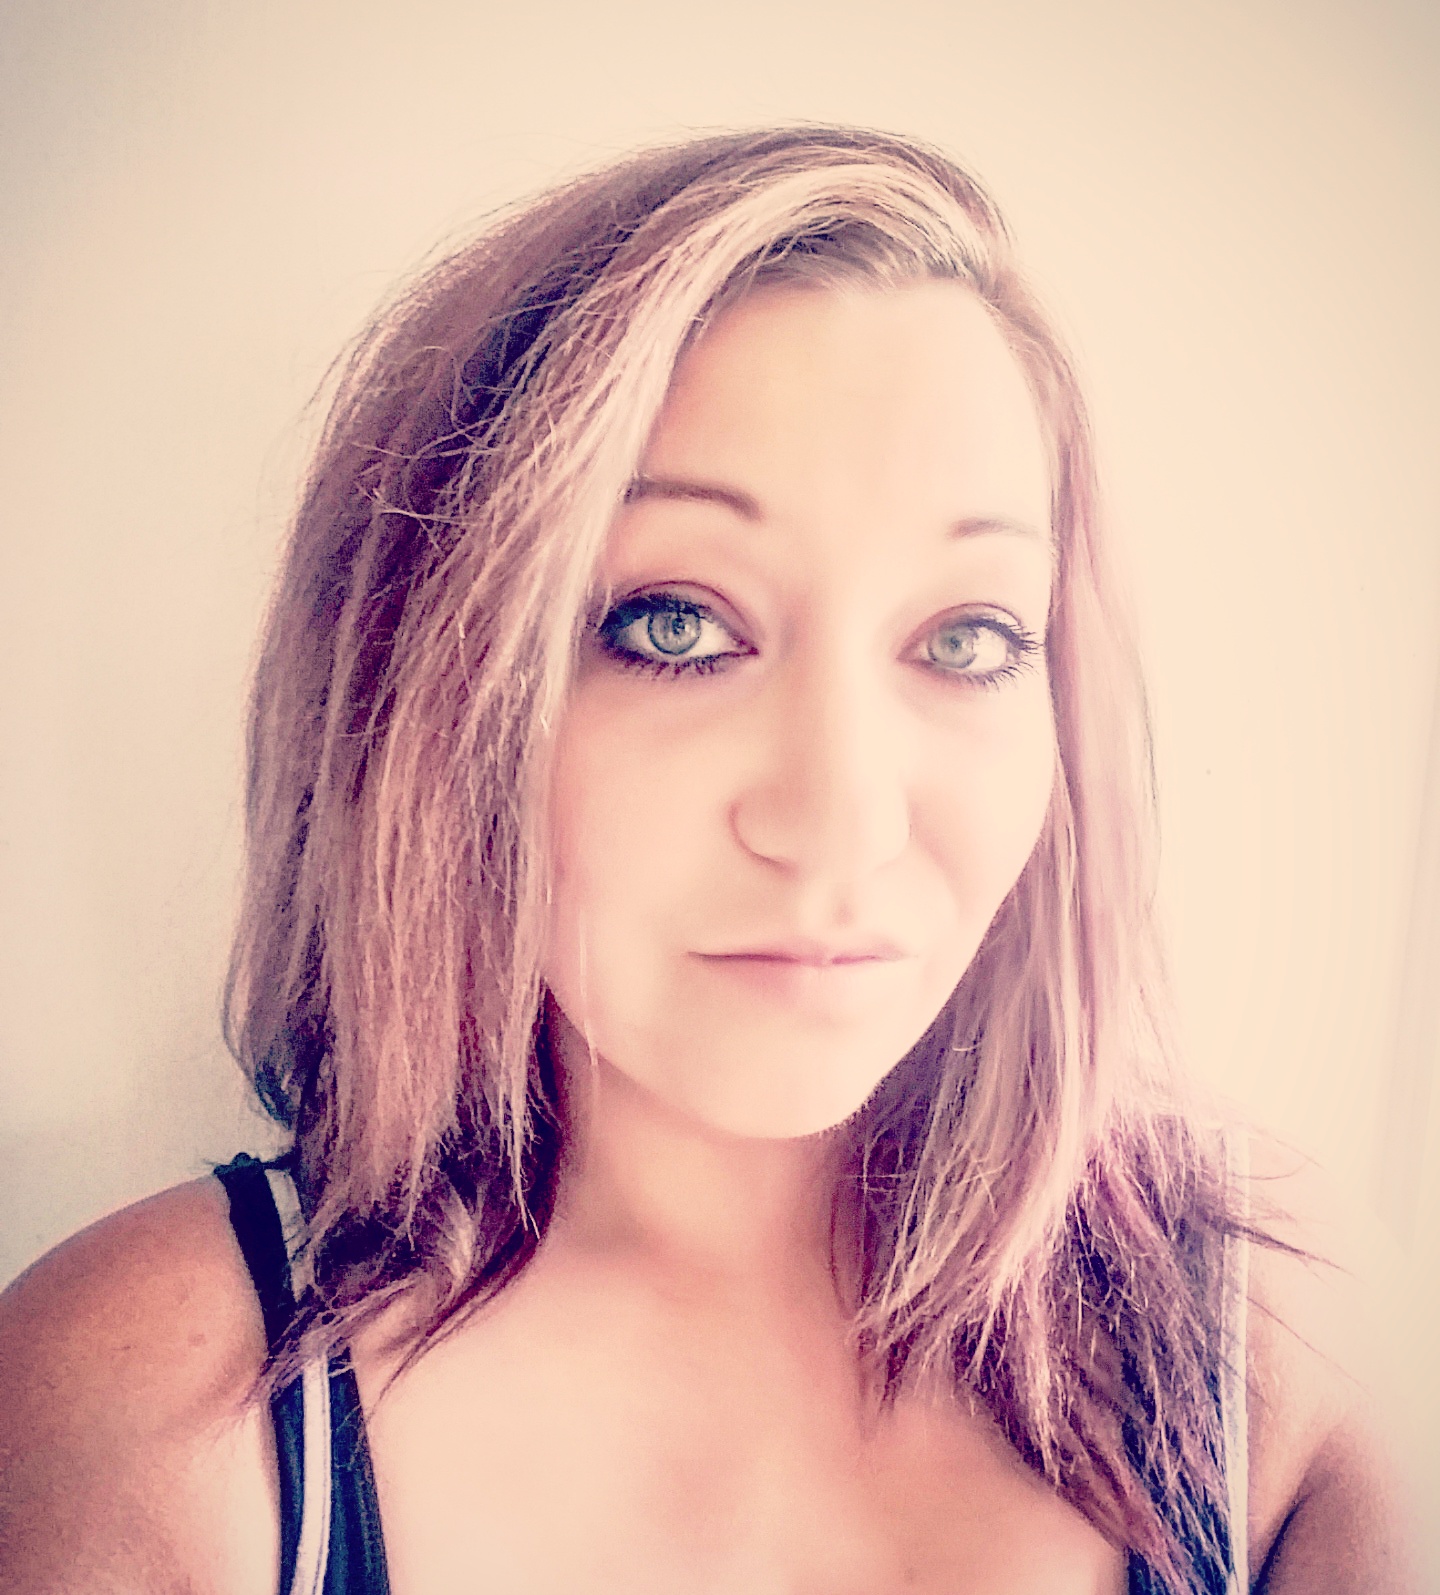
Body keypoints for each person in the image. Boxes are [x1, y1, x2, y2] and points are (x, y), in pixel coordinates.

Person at [0, 125, 1414, 1594]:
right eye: (674, 623)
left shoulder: (1276, 1346)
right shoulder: (146, 1414)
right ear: (433, 694)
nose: (845, 817)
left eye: (968, 638)